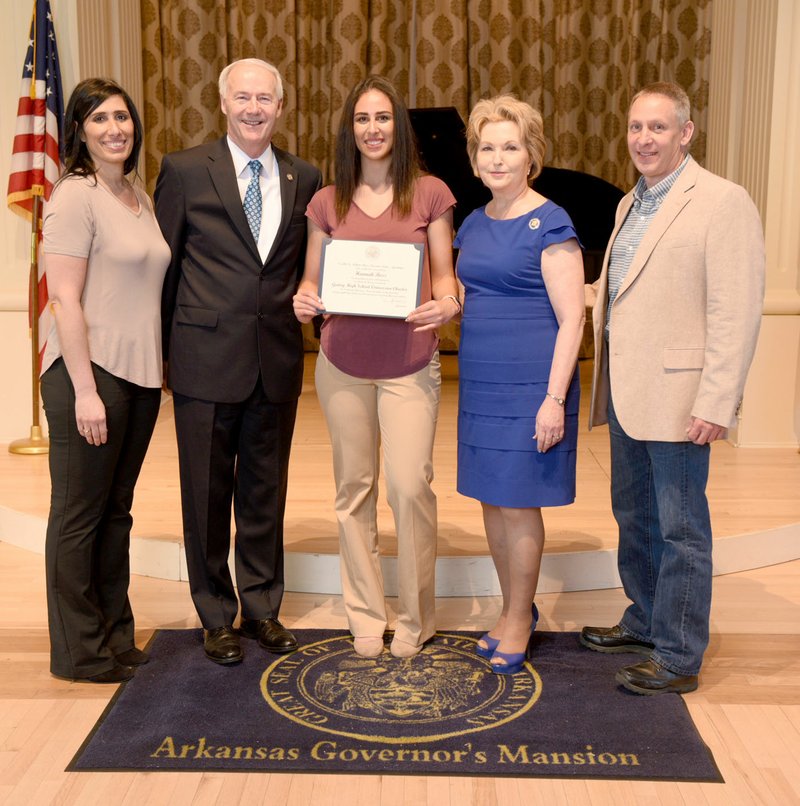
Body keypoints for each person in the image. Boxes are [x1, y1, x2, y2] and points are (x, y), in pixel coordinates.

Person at [580, 82, 765, 694]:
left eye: (658, 127)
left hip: (683, 400)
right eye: (636, 127)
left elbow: (735, 310)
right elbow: (622, 294)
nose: (644, 139)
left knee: (681, 530)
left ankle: (679, 655)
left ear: (686, 132)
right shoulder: (629, 204)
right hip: (629, 394)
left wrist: (717, 402)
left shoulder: (721, 201)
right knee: (634, 517)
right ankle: (644, 620)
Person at [155, 58, 322, 665]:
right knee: (204, 495)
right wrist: (163, 358)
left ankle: (262, 608)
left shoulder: (304, 176)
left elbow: (309, 264)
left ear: (282, 106)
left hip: (274, 359)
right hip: (202, 359)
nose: (255, 108)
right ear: (222, 103)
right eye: (243, 97)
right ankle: (214, 614)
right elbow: (164, 272)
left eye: (266, 99)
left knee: (264, 493)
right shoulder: (182, 170)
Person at [293, 76, 459, 659]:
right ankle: (365, 612)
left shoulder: (431, 194)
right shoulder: (326, 201)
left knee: (410, 487)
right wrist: (305, 297)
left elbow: (444, 275)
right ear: (350, 129)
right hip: (342, 362)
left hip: (410, 362)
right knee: (353, 491)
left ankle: (416, 616)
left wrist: (449, 301)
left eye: (383, 117)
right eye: (362, 119)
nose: (373, 129)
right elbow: (313, 278)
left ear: (399, 126)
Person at [40, 78, 170, 683]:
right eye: (99, 120)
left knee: (116, 513)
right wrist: (86, 389)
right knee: (78, 515)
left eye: (122, 117)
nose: (115, 128)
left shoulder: (135, 196)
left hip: (138, 378)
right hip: (87, 377)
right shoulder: (74, 195)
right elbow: (64, 299)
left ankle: (117, 634)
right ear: (79, 131)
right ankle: (79, 651)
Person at [454, 96, 585, 675]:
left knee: (519, 504)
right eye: (488, 147)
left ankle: (515, 619)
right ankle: (517, 609)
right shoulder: (473, 222)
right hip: (481, 380)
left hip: (533, 384)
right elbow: (467, 295)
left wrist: (553, 399)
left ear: (531, 154)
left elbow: (573, 318)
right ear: (475, 158)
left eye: (511, 146)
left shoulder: (551, 222)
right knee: (490, 498)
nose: (498, 157)